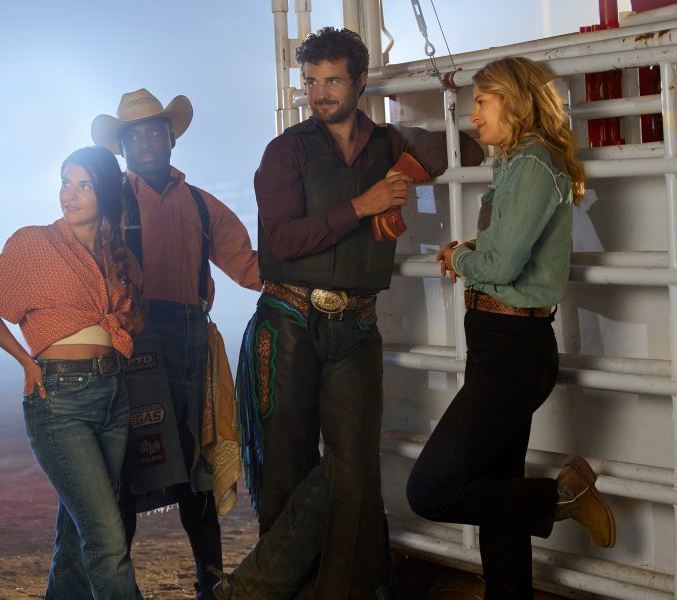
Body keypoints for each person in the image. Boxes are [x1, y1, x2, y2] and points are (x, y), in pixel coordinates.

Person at [217, 27, 485, 599]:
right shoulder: (286, 150)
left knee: (355, 469)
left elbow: (468, 148)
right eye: (311, 81)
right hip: (288, 319)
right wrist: (363, 205)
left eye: (333, 80)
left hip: (357, 323)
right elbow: (281, 242)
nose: (319, 93)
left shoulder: (388, 142)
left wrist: (405, 168)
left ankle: (314, 592)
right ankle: (277, 592)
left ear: (360, 81)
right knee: (286, 466)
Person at [404, 56, 615, 599]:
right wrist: (471, 251)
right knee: (500, 505)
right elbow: (503, 248)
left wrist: (461, 258)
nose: (473, 115)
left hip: (512, 351)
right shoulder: (519, 163)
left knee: (430, 489)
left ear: (513, 100)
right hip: (500, 344)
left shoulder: (533, 164)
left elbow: (500, 265)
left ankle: (563, 498)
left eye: (481, 101)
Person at [90, 89, 261, 599]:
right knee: (126, 467)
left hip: (189, 342)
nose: (146, 141)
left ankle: (211, 580)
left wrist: (310, 273)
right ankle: (118, 589)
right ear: (122, 147)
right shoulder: (107, 204)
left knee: (196, 463)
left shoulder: (202, 207)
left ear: (171, 138)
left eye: (154, 132)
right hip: (130, 345)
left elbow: (251, 268)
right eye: (134, 135)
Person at [0, 146, 145, 599]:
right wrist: (25, 360)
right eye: (66, 182)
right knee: (107, 538)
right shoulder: (34, 243)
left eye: (84, 185)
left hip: (113, 397)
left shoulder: (118, 255)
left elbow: (132, 320)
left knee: (77, 536)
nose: (70, 194)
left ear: (106, 192)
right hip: (60, 400)